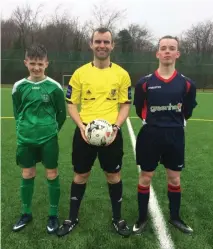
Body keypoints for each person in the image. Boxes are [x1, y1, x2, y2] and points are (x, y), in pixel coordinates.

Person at [57, 27, 132, 237]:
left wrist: (115, 128)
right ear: (91, 44)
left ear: (112, 45)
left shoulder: (122, 74)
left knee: (114, 175)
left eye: (106, 42)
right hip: (85, 134)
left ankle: (118, 219)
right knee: (80, 175)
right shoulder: (80, 73)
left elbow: (125, 104)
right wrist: (81, 126)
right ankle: (72, 218)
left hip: (112, 135)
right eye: (98, 41)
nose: (102, 45)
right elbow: (71, 104)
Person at [132, 35, 197, 235]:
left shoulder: (187, 84)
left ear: (177, 53)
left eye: (171, 48)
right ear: (157, 53)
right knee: (145, 177)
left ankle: (175, 217)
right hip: (151, 136)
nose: (167, 51)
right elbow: (139, 110)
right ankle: (142, 218)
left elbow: (187, 112)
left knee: (175, 179)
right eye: (163, 48)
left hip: (175, 137)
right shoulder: (145, 83)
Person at [12, 44, 66, 234]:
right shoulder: (19, 87)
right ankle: (26, 213)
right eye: (32, 63)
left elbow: (62, 115)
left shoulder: (54, 87)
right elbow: (17, 112)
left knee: (51, 174)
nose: (36, 67)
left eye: (40, 64)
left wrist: (51, 131)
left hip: (48, 139)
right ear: (26, 62)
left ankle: (53, 215)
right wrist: (24, 130)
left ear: (46, 64)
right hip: (26, 139)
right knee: (27, 174)